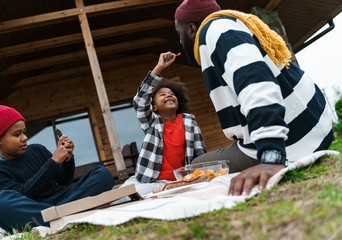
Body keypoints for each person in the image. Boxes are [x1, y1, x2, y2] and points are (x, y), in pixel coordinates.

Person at [174, 0, 334, 196]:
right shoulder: (229, 25)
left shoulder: (214, 30)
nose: (180, 41)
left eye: (178, 33)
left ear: (191, 29)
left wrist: (271, 157)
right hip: (314, 127)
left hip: (295, 141)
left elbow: (257, 84)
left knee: (196, 166)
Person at [0, 105, 114, 233]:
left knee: (102, 173)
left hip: (63, 198)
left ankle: (60, 215)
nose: (25, 138)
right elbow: (24, 194)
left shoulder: (37, 149)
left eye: (25, 132)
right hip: (35, 209)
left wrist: (67, 158)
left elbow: (64, 181)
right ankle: (71, 210)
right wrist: (53, 162)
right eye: (17, 134)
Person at [119, 52, 207, 197]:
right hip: (146, 181)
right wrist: (159, 67)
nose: (169, 95)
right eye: (162, 95)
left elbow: (200, 152)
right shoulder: (152, 123)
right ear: (154, 107)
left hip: (178, 180)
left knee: (140, 195)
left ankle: (165, 191)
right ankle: (159, 192)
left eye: (172, 94)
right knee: (119, 197)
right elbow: (140, 101)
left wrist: (198, 176)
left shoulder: (189, 121)